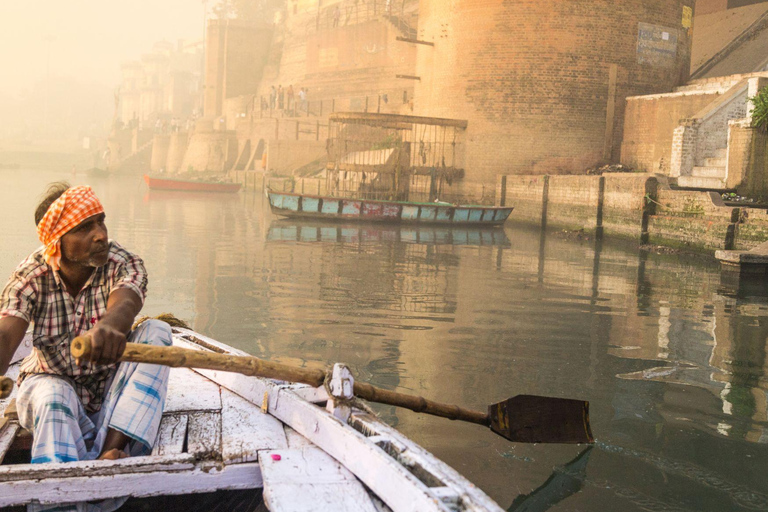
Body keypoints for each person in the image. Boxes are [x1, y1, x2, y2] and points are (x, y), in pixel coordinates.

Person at [0, 183, 171, 507]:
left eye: (100, 222)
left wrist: (108, 327)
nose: (100, 235)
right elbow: (7, 334)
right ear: (57, 242)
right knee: (53, 395)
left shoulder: (123, 262)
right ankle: (62, 498)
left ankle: (110, 448)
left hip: (109, 392)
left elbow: (126, 302)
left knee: (156, 331)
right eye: (83, 228)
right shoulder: (31, 275)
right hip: (50, 380)